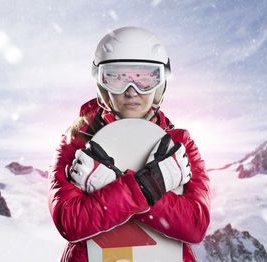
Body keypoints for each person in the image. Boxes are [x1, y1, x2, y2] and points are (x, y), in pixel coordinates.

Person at [48, 26, 210, 262]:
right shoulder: (78, 139)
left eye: (145, 78)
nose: (131, 91)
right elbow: (69, 222)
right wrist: (152, 185)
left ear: (160, 85)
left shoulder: (179, 143)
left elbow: (195, 225)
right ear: (102, 85)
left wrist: (110, 185)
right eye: (117, 78)